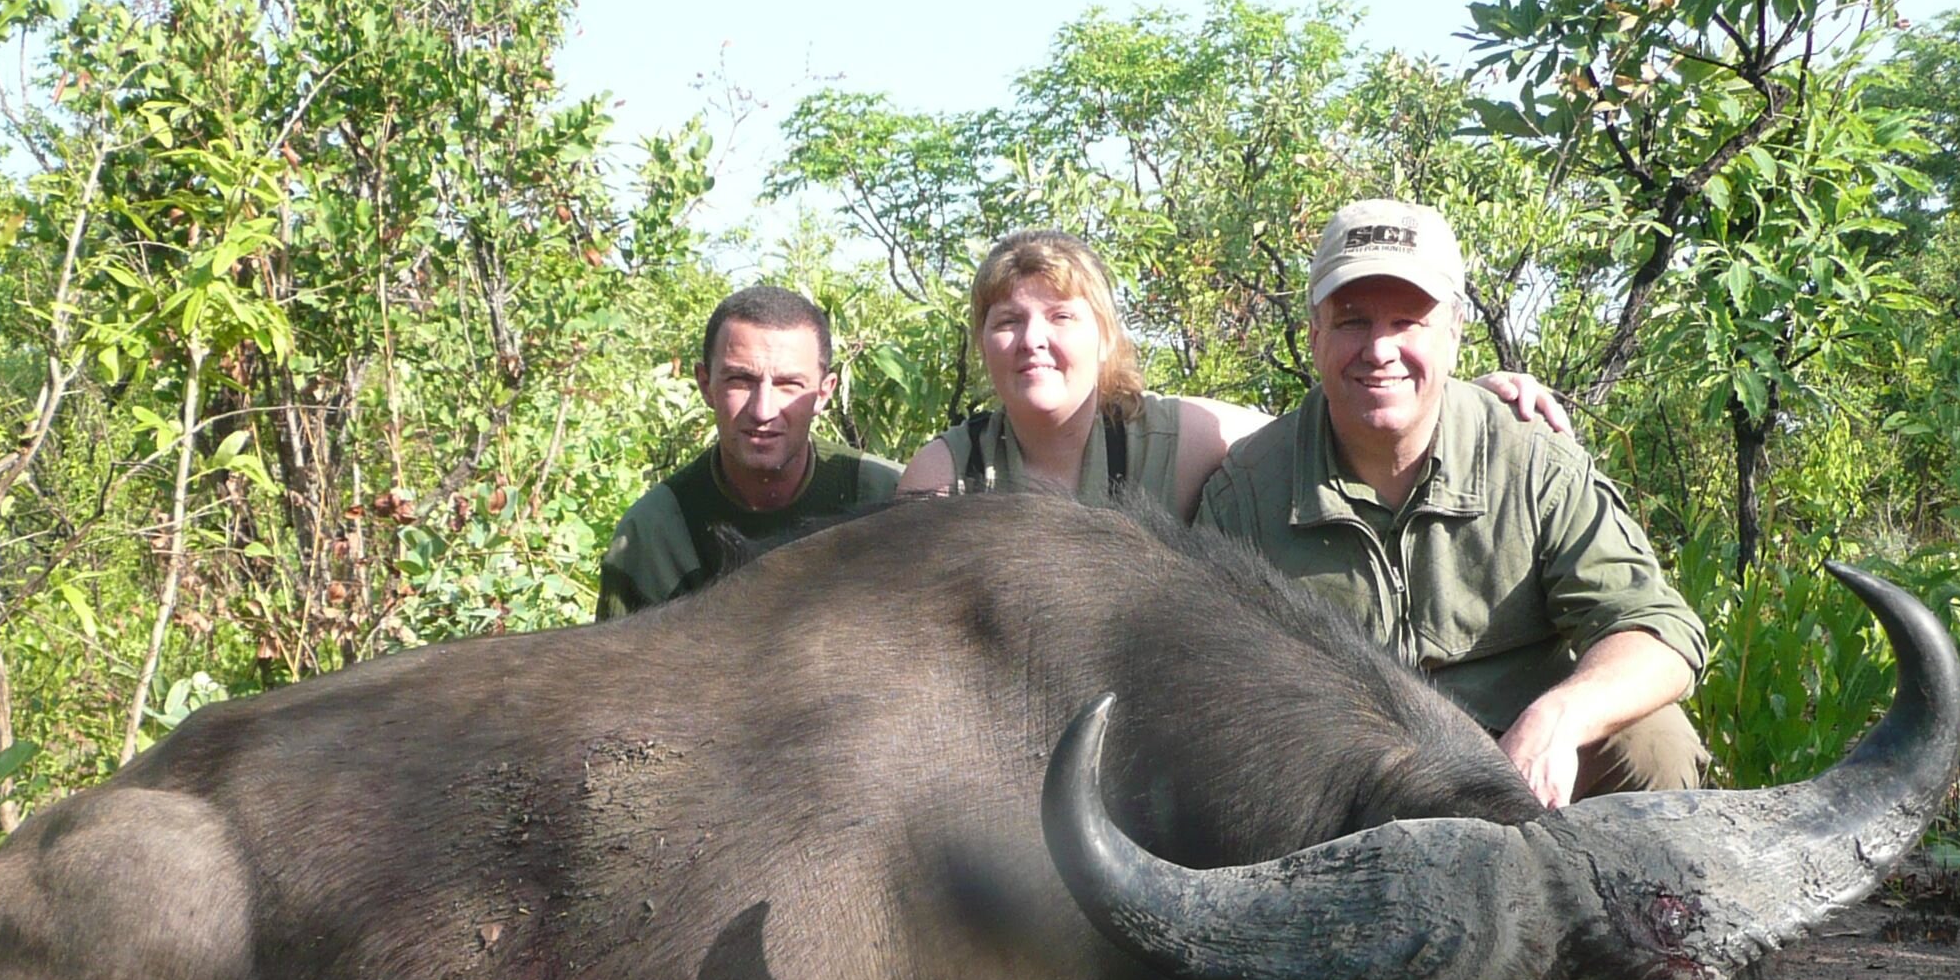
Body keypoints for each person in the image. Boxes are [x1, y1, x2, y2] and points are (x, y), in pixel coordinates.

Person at [1192, 198, 1708, 809]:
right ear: (1314, 333)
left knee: (1656, 743)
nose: (1379, 350)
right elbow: (1207, 685)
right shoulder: (1248, 492)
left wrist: (1561, 718)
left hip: (1522, 761)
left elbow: (1659, 631)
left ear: (1456, 331)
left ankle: (1630, 904)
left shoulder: (1532, 461)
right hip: (1345, 781)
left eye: (1407, 323)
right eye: (1353, 321)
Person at [899, 229, 1569, 522]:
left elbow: (1336, 426)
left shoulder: (1177, 436)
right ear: (983, 342)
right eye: (1007, 321)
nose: (1033, 341)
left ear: (1105, 338)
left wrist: (1462, 400)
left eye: (1061, 317)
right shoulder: (945, 475)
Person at [596, 286, 902, 618]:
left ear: (823, 393)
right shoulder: (654, 534)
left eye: (789, 384)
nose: (763, 410)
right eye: (741, 380)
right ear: (705, 384)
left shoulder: (890, 500)